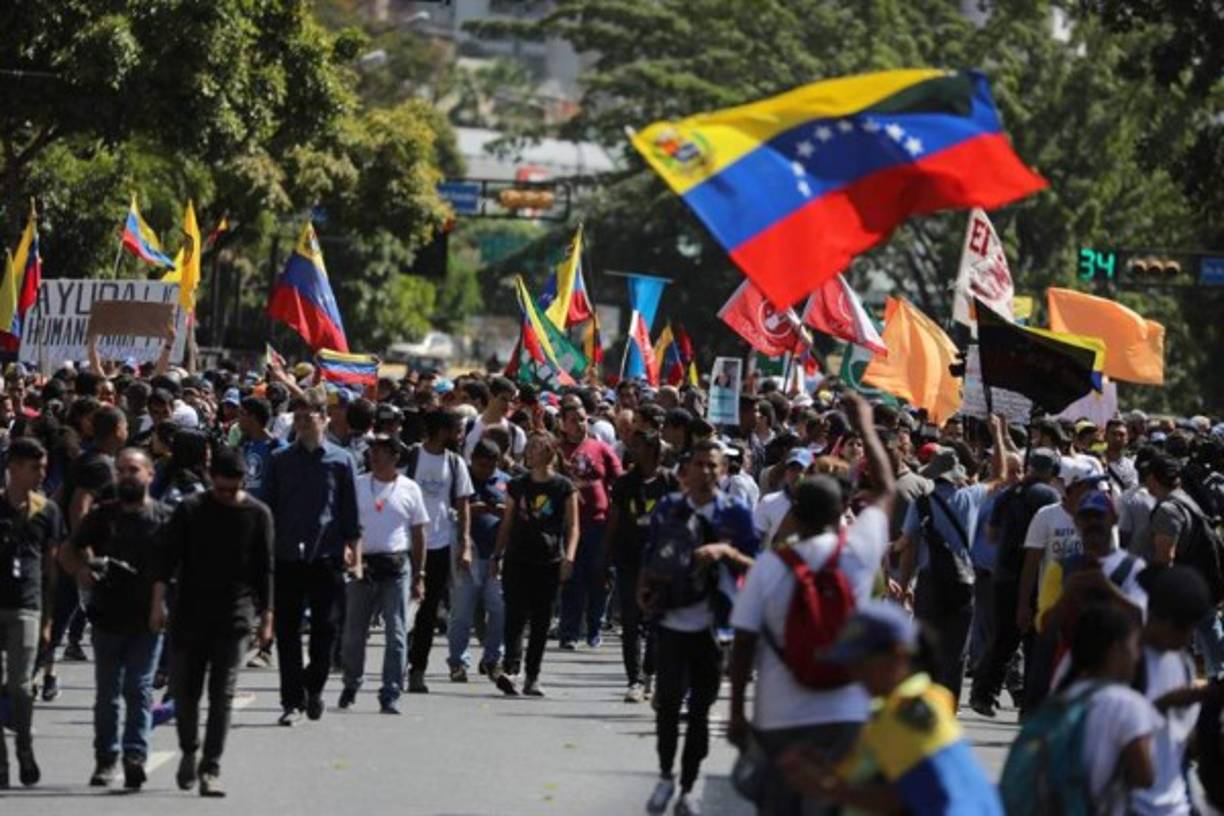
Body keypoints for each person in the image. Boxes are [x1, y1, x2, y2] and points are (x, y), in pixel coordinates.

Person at [728, 392, 895, 816]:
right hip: (846, 713)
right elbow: (888, 489)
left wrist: (735, 713)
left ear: (795, 516)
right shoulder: (858, 554)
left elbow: (743, 644)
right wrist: (865, 425)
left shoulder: (768, 568)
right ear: (843, 510)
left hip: (778, 716)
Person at [776, 601, 1002, 814]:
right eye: (850, 664)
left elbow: (912, 795)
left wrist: (830, 790)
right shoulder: (895, 708)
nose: (855, 674)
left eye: (861, 662)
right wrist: (825, 769)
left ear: (899, 654)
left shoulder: (911, 710)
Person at [642, 439, 757, 816]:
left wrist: (724, 553)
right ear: (686, 470)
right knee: (668, 707)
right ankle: (664, 777)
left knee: (699, 714)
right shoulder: (668, 508)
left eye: (714, 465)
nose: (706, 471)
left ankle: (688, 787)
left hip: (713, 629)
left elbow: (754, 567)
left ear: (723, 472)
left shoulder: (735, 514)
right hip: (671, 623)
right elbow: (652, 554)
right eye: (699, 464)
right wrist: (646, 590)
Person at [155, 447, 274, 797]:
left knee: (222, 694)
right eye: (221, 489)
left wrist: (267, 617)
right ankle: (190, 750)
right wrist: (157, 602)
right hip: (190, 613)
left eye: (233, 489)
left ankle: (211, 767)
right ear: (210, 479)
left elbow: (265, 569)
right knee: (187, 693)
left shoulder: (258, 514)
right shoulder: (191, 510)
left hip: (235, 616)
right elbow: (167, 559)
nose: (227, 496)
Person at [61, 447, 170, 790]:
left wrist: (161, 605)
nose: (126, 476)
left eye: (134, 470)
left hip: (147, 619)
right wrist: (82, 571)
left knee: (137, 690)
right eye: (121, 470)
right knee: (108, 693)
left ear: (150, 475)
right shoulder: (103, 515)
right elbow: (68, 550)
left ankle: (134, 755)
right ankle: (106, 759)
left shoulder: (165, 518)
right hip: (107, 617)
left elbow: (173, 568)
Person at [260, 393, 360, 726]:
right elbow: (267, 509)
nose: (303, 423)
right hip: (287, 556)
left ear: (324, 417)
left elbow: (349, 512)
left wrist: (354, 552)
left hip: (327, 556)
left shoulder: (341, 460)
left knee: (326, 629)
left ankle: (314, 686)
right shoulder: (280, 459)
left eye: (309, 417)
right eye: (298, 417)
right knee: (287, 632)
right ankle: (291, 700)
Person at [339, 434, 428, 713]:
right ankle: (351, 682)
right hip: (363, 566)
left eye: (382, 451)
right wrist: (347, 551)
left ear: (395, 457)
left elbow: (418, 532)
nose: (375, 456)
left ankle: (390, 691)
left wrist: (420, 574)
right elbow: (345, 523)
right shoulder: (358, 485)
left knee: (397, 632)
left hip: (397, 567)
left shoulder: (410, 489)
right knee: (354, 632)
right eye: (372, 451)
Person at [969, 447, 1061, 717]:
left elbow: (992, 533)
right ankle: (1031, 703)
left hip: (1004, 574)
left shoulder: (1008, 493)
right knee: (1034, 640)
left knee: (1004, 638)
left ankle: (983, 693)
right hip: (1032, 575)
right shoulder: (1049, 496)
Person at [1045, 604, 1159, 814]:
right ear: (1116, 650)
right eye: (1134, 647)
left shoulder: (1065, 686)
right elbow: (1145, 776)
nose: (1137, 657)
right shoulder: (1126, 704)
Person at [490, 431, 578, 696]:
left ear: (550, 452)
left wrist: (569, 556)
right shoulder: (518, 485)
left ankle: (533, 675)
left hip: (549, 559)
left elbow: (573, 526)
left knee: (541, 619)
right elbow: (507, 522)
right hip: (518, 557)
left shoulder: (564, 487)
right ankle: (512, 670)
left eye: (536, 447)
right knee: (514, 616)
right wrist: (497, 555)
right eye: (528, 447)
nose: (529, 451)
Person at [0, 438, 65, 789]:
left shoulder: (47, 511)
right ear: (13, 468)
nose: (41, 474)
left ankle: (24, 745)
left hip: (28, 604)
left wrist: (49, 618)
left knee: (21, 687)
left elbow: (51, 567)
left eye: (44, 467)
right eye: (34, 467)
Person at [604, 430, 679, 702]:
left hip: (662, 562)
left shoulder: (671, 482)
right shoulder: (624, 484)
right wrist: (606, 556)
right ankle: (634, 680)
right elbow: (614, 518)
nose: (636, 450)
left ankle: (651, 671)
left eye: (643, 446)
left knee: (657, 620)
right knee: (631, 620)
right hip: (629, 560)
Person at [1132, 567, 1213, 815]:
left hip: (1175, 803)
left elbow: (1184, 741)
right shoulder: (1123, 659)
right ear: (1155, 615)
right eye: (1181, 627)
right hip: (1131, 805)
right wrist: (1165, 703)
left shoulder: (1182, 663)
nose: (1187, 637)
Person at [403, 409, 474, 692]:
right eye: (456, 430)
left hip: (440, 545)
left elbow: (463, 503)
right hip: (405, 544)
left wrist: (465, 543)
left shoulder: (456, 464)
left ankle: (417, 668)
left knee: (429, 610)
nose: (459, 436)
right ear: (441, 431)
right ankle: (398, 661)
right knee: (400, 608)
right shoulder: (411, 457)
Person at [1147, 452, 1224, 676]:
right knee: (1209, 632)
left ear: (1152, 478)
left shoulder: (1167, 510)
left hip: (1188, 586)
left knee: (1206, 641)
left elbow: (1165, 557)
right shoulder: (1186, 499)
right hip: (1204, 580)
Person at [557, 400, 622, 650]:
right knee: (571, 579)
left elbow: (619, 481)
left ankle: (594, 628)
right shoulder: (556, 450)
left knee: (599, 578)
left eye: (583, 419)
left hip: (599, 525)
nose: (579, 424)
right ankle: (569, 633)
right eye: (573, 420)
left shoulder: (601, 448)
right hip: (568, 526)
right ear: (563, 424)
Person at [447, 438, 507, 680]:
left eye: (490, 466)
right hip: (466, 553)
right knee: (461, 612)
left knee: (499, 609)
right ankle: (458, 662)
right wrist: (473, 510)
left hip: (495, 555)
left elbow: (514, 517)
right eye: (481, 465)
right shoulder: (461, 479)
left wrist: (500, 510)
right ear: (472, 460)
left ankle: (493, 658)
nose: (485, 470)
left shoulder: (506, 482)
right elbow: (448, 512)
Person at [753, 448, 813, 549]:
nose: (797, 474)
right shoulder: (769, 501)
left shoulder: (820, 505)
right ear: (786, 472)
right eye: (792, 469)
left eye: (801, 469)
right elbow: (756, 537)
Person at [462, 375, 525, 461]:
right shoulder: (466, 425)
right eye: (503, 399)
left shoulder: (516, 433)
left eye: (511, 401)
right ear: (490, 396)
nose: (508, 405)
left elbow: (517, 468)